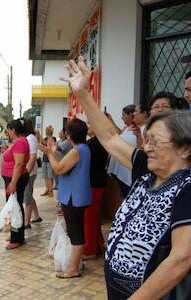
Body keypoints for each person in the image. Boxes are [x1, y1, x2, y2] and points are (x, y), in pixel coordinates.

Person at [62, 56, 191, 299]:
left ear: (185, 148)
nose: (148, 147)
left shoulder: (186, 187)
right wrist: (82, 94)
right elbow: (110, 138)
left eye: (157, 141)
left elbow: (182, 258)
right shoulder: (146, 168)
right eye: (147, 139)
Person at [39, 118, 91, 279]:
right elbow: (59, 157)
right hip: (75, 196)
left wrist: (48, 153)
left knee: (76, 234)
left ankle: (73, 269)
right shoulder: (82, 148)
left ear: (69, 134)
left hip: (73, 197)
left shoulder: (77, 151)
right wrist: (49, 146)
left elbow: (59, 168)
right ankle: (76, 262)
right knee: (75, 231)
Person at [0, 118, 29, 250]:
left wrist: (13, 183)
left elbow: (19, 164)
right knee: (14, 206)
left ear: (14, 130)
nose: (8, 132)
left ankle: (17, 238)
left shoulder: (20, 143)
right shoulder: (19, 141)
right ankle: (14, 233)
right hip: (12, 178)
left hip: (15, 179)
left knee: (15, 208)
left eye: (9, 130)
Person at [84, 123, 108, 258]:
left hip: (94, 184)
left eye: (90, 123)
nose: (88, 126)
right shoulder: (97, 142)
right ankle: (97, 244)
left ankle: (90, 249)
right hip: (96, 183)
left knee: (90, 218)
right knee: (93, 217)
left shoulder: (95, 143)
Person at [107, 105, 137, 199]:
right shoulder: (127, 128)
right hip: (119, 169)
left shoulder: (138, 130)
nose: (122, 117)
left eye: (123, 115)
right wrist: (110, 120)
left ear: (131, 115)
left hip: (128, 170)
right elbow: (118, 134)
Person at [23, 119, 42, 229]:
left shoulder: (30, 138)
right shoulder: (31, 137)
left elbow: (33, 157)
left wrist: (26, 173)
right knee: (29, 194)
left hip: (29, 172)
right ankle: (36, 216)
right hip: (30, 172)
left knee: (27, 197)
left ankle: (26, 222)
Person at [41, 126, 56, 197]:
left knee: (50, 176)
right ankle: (47, 190)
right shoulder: (45, 139)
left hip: (50, 160)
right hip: (44, 159)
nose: (46, 131)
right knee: (45, 176)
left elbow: (47, 144)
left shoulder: (53, 139)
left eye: (47, 130)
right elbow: (43, 144)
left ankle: (51, 190)